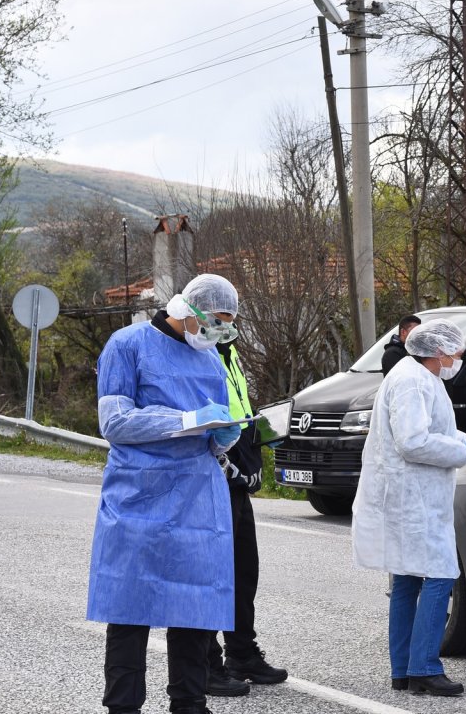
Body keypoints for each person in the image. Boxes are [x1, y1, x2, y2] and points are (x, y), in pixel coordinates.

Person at [88, 273, 244, 714]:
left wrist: (224, 436)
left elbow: (210, 433)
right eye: (216, 320)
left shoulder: (211, 359)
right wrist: (186, 420)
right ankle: (123, 706)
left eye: (228, 324)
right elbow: (115, 422)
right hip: (140, 495)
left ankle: (190, 703)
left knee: (195, 609)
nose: (220, 331)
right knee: (130, 608)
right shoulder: (127, 344)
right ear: (189, 310)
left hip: (198, 496)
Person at [351, 319, 466, 698]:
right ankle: (424, 667)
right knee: (440, 575)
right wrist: (462, 452)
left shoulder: (417, 377)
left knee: (408, 581)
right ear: (438, 352)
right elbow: (413, 441)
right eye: (455, 353)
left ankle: (404, 670)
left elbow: (430, 429)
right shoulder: (412, 381)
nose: (458, 359)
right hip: (413, 500)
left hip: (410, 497)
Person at [205, 336, 288, 696]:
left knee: (243, 573)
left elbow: (240, 409)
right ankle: (205, 664)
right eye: (220, 313)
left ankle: (241, 653)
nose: (228, 321)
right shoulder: (197, 350)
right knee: (211, 577)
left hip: (239, 480)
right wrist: (228, 465)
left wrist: (260, 440)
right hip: (214, 479)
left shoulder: (229, 349)